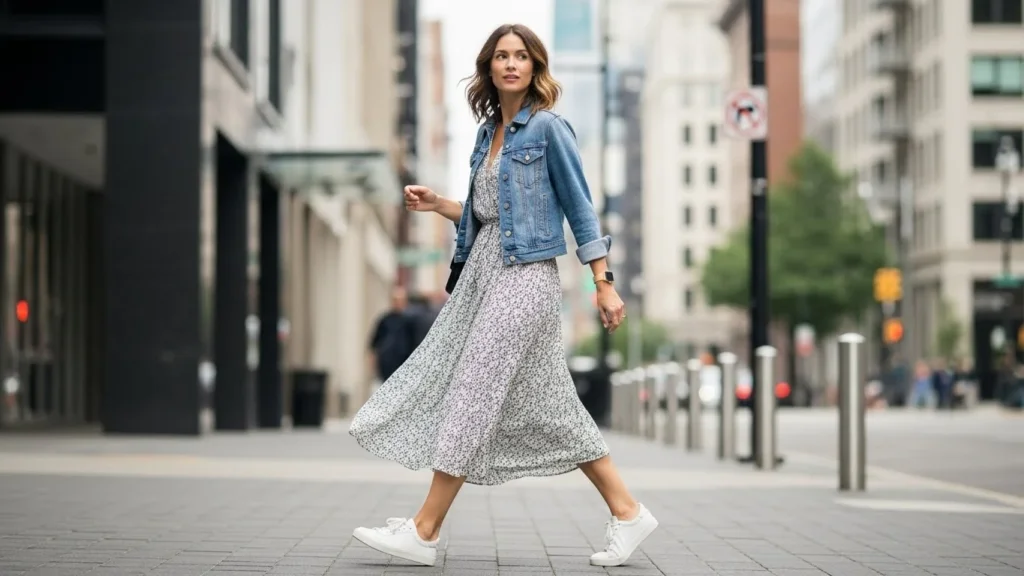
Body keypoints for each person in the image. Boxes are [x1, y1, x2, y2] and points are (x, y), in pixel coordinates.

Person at [348, 23, 657, 568]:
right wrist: (442, 204)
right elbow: (485, 214)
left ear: (535, 67)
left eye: (521, 56)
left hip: (525, 277)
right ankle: (629, 512)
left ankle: (423, 530)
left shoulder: (548, 129)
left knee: (471, 392)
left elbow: (581, 210)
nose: (511, 64)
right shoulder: (487, 132)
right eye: (501, 56)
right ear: (489, 67)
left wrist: (602, 283)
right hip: (483, 275)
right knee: (553, 409)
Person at [367, 286, 413, 384]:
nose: (398, 303)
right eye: (395, 300)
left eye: (400, 300)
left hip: (403, 364)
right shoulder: (385, 320)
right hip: (386, 364)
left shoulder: (410, 321)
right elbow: (374, 342)